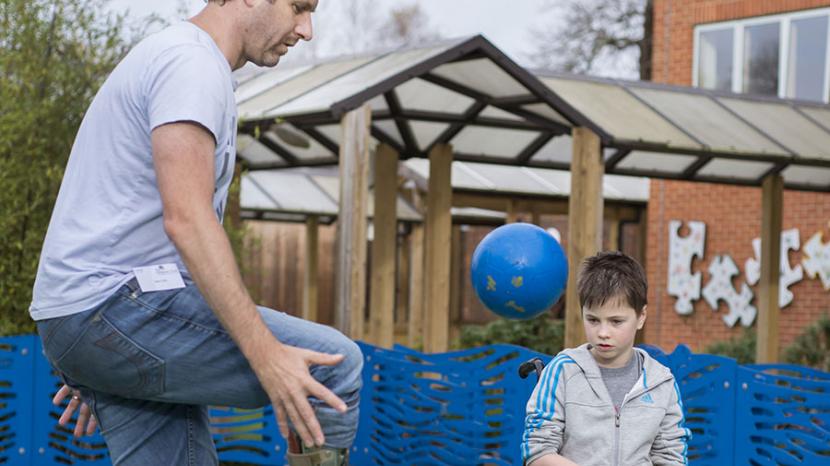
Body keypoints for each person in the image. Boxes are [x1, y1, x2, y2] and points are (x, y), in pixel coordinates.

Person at [29, 1, 363, 465]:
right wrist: (265, 355)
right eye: (299, 7)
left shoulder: (180, 58)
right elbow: (187, 219)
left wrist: (102, 353)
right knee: (332, 369)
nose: (307, 29)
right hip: (109, 308)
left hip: (99, 314)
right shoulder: (191, 63)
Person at [521, 251, 691, 466]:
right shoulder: (562, 371)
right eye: (593, 319)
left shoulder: (662, 382)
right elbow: (537, 452)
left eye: (616, 321)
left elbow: (671, 458)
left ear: (641, 317)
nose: (603, 332)